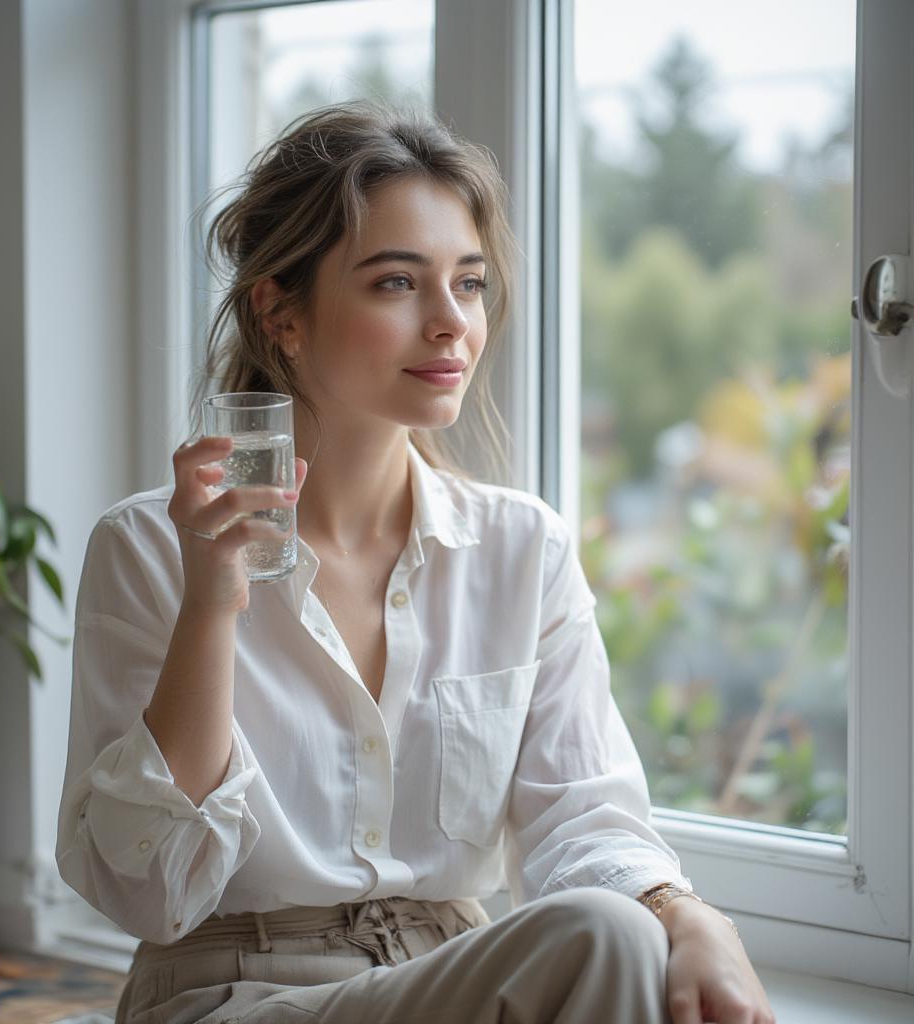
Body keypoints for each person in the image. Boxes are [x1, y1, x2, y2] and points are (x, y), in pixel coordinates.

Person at [55, 100, 775, 1024]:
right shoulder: (151, 547)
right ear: (281, 311)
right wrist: (211, 604)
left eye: (468, 284)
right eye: (398, 283)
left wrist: (692, 915)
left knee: (631, 933)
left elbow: (585, 816)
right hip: (230, 993)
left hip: (455, 977)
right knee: (603, 939)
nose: (451, 325)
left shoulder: (524, 549)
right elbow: (146, 892)